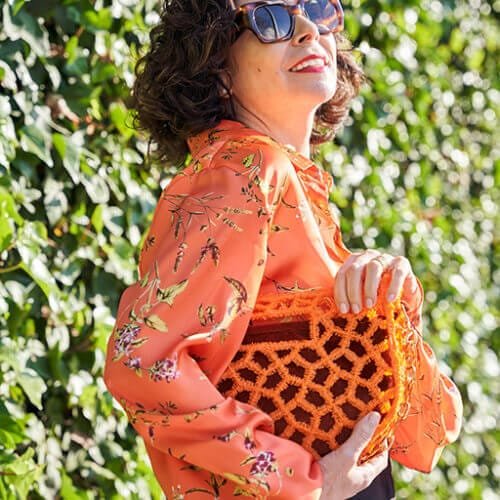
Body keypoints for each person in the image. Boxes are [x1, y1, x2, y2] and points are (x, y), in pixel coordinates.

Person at [103, 0, 463, 498]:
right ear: (217, 69)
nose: (307, 29)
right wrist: (304, 482)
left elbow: (430, 430)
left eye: (317, 7)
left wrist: (396, 307)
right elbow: (141, 362)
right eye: (271, 16)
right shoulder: (245, 172)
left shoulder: (292, 191)